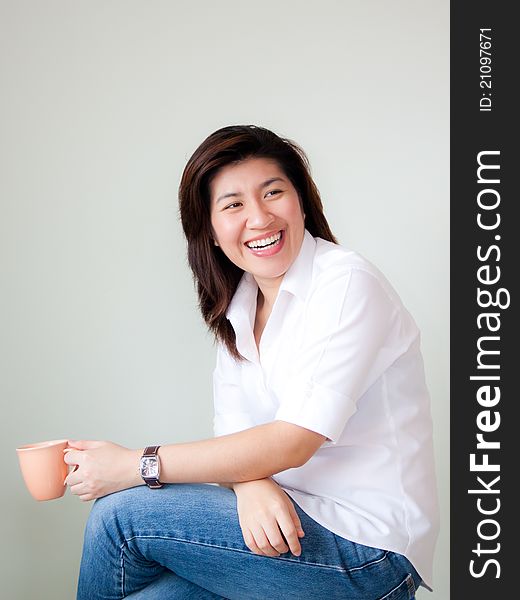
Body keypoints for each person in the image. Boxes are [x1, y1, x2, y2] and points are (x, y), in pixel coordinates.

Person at [64, 124, 439, 600]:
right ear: (211, 232)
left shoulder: (345, 282)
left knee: (121, 517)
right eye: (233, 204)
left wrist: (137, 464)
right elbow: (236, 444)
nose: (259, 218)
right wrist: (251, 484)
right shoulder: (239, 307)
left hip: (367, 553)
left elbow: (294, 440)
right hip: (283, 524)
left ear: (301, 201)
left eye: (273, 192)